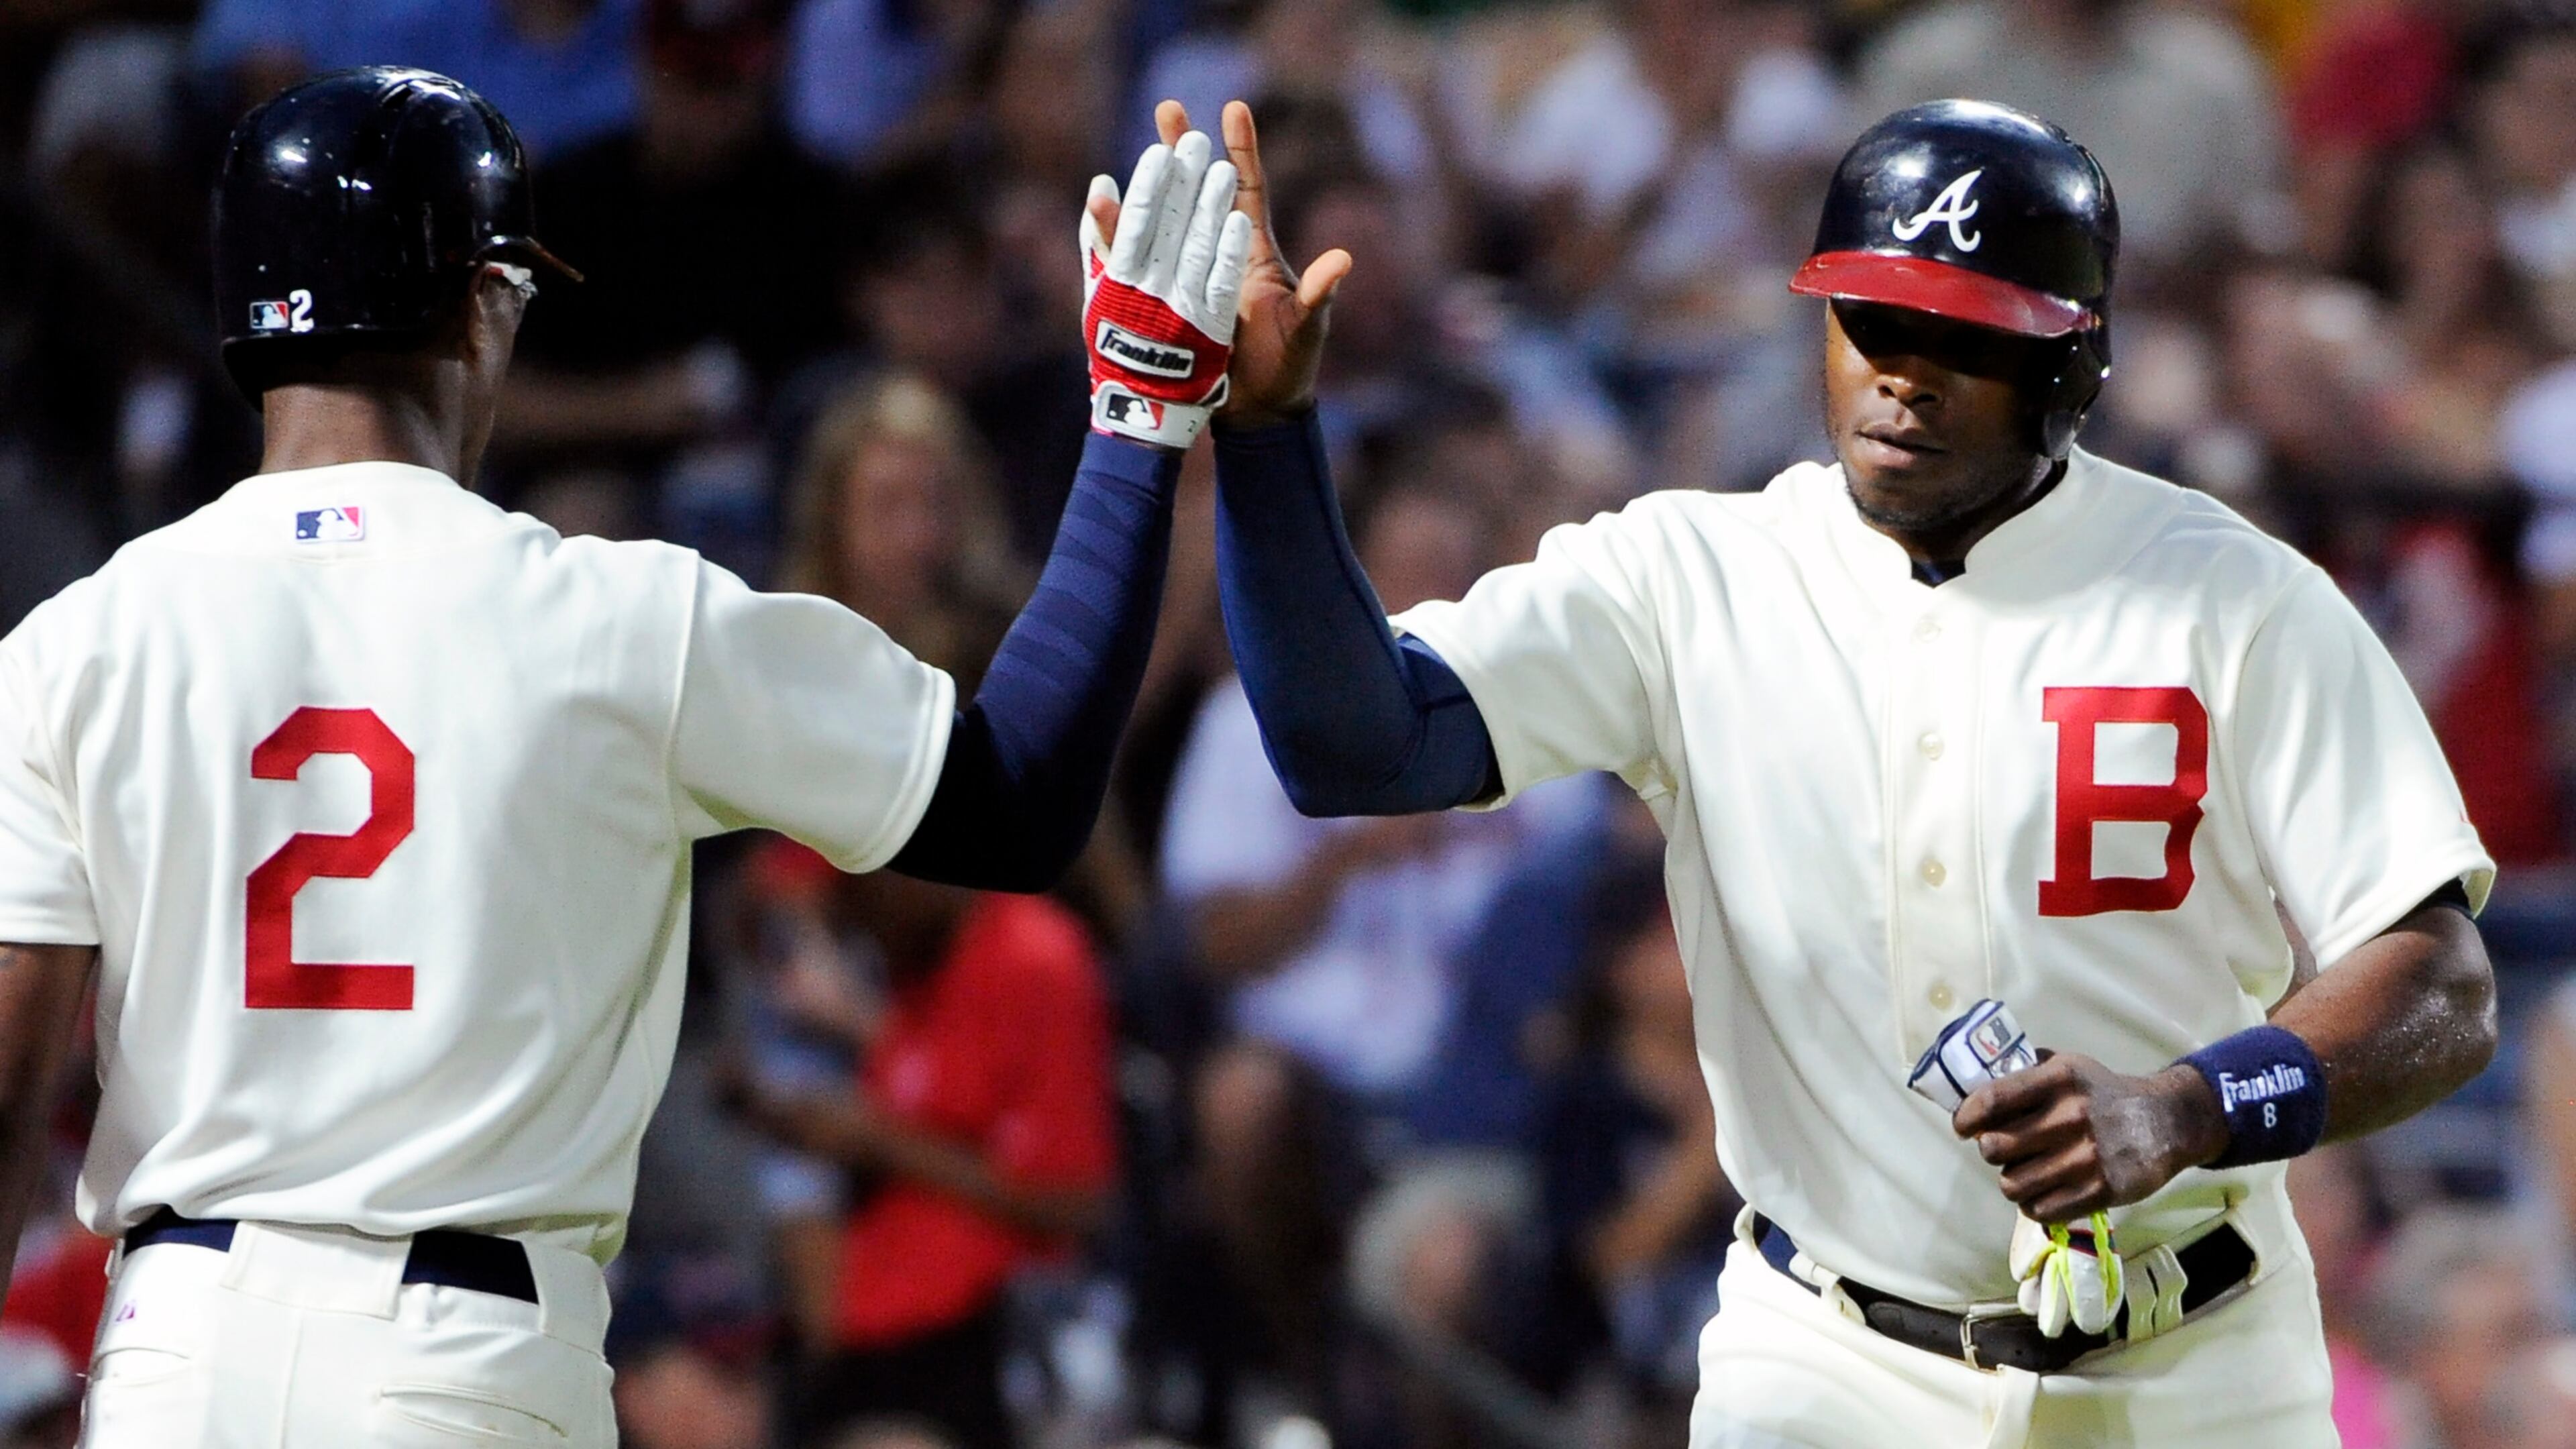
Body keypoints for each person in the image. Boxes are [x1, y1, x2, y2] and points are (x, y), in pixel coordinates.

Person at [1167, 95, 2500, 1446]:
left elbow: (2443, 986)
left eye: (1964, 339)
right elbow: (1353, 744)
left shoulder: (2238, 597)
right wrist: (1271, 443)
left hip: (2195, 1370)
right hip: (1826, 1366)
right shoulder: (1688, 577)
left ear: (2075, 366)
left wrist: (2193, 1106)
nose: (1904, 373)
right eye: (1872, 321)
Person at [0, 68, 1250, 1445]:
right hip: (459, 1360)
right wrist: (1138, 429)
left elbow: (10, 1072)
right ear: (476, 310)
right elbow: (1019, 800)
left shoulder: (76, 641)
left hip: (178, 1352)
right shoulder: (621, 618)